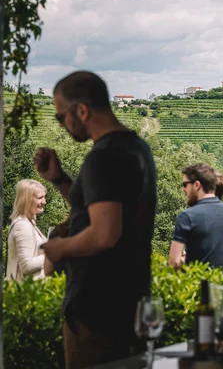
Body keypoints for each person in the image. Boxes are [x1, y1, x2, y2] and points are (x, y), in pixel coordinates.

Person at [35, 71, 157, 369]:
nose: (62, 124)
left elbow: (104, 233)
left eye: (60, 116)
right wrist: (60, 180)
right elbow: (98, 213)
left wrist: (58, 249)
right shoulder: (137, 149)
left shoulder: (103, 158)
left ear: (82, 110)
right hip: (130, 301)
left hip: (97, 308)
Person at [168, 163, 223, 269]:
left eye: (185, 185)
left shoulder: (187, 217)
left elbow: (173, 262)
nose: (183, 189)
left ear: (197, 185)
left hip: (197, 283)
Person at [6, 179, 48, 281]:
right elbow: (26, 266)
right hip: (25, 293)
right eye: (40, 198)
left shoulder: (30, 224)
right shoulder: (22, 226)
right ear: (27, 200)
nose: (44, 202)